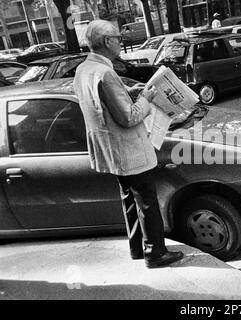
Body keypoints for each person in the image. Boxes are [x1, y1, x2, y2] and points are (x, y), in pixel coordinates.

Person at [73, 20, 184, 269]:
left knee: (129, 200)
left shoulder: (84, 69)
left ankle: (137, 248)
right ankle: (155, 253)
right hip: (129, 150)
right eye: (118, 38)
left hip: (110, 151)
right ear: (107, 41)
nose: (121, 42)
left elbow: (103, 109)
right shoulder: (105, 73)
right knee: (146, 202)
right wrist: (145, 98)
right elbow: (129, 117)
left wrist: (133, 99)